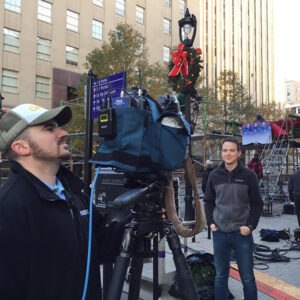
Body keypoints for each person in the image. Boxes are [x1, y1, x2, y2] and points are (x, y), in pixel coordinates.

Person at [0, 103, 119, 300]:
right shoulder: (9, 208)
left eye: (59, 126)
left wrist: (127, 219)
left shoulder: (75, 193)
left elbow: (103, 250)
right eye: (49, 129)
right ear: (21, 147)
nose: (63, 133)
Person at [204, 138, 263, 300]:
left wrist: (250, 226)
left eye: (231, 150)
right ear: (221, 153)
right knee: (220, 276)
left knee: (248, 278)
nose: (228, 153)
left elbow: (257, 204)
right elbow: (208, 201)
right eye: (225, 150)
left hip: (241, 234)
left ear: (239, 153)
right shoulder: (214, 175)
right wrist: (211, 222)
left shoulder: (249, 176)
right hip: (220, 233)